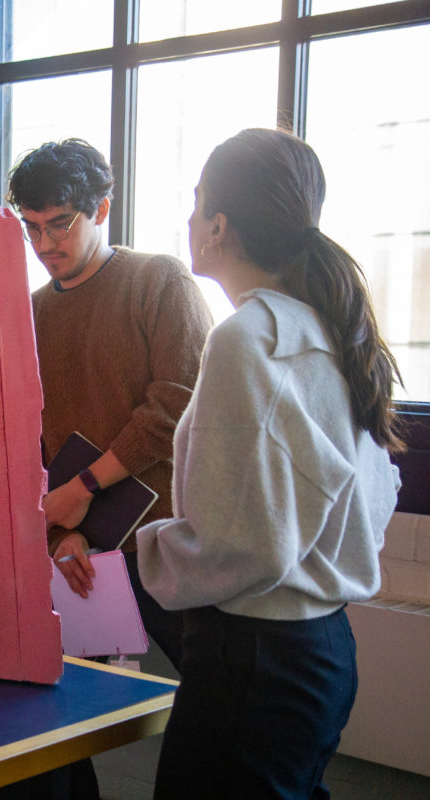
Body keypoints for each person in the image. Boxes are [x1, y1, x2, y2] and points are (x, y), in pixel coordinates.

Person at [137, 128, 402, 799]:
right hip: (323, 652)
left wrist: (147, 553)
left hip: (253, 657)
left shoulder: (244, 338)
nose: (190, 220)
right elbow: (372, 492)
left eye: (198, 205)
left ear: (220, 226)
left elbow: (238, 546)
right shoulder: (331, 328)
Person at [8, 139, 213, 672]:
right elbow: (28, 436)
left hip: (169, 540)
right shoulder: (27, 314)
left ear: (101, 209)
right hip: (86, 552)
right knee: (67, 711)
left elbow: (178, 406)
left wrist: (84, 487)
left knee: (220, 702)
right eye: (31, 226)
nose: (44, 242)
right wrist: (61, 530)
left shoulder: (159, 281)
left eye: (59, 223)